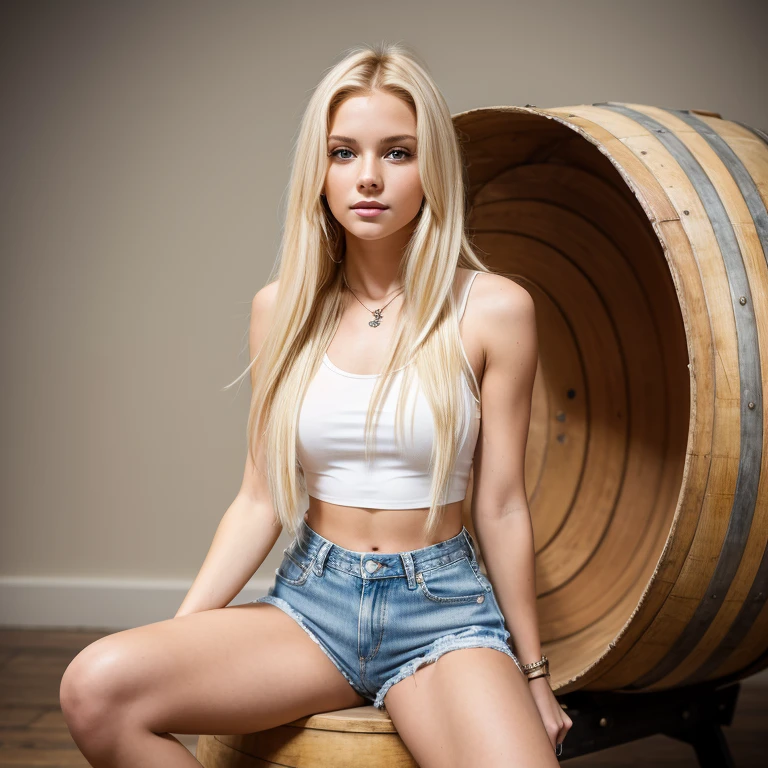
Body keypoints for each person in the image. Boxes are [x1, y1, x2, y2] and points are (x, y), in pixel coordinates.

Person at [59, 42, 571, 767]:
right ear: (318, 170)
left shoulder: (493, 309)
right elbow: (259, 501)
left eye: (397, 152)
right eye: (343, 153)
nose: (368, 177)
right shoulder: (280, 311)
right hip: (311, 607)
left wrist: (533, 674)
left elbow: (503, 505)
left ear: (433, 171)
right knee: (95, 688)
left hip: (444, 616)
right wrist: (182, 639)